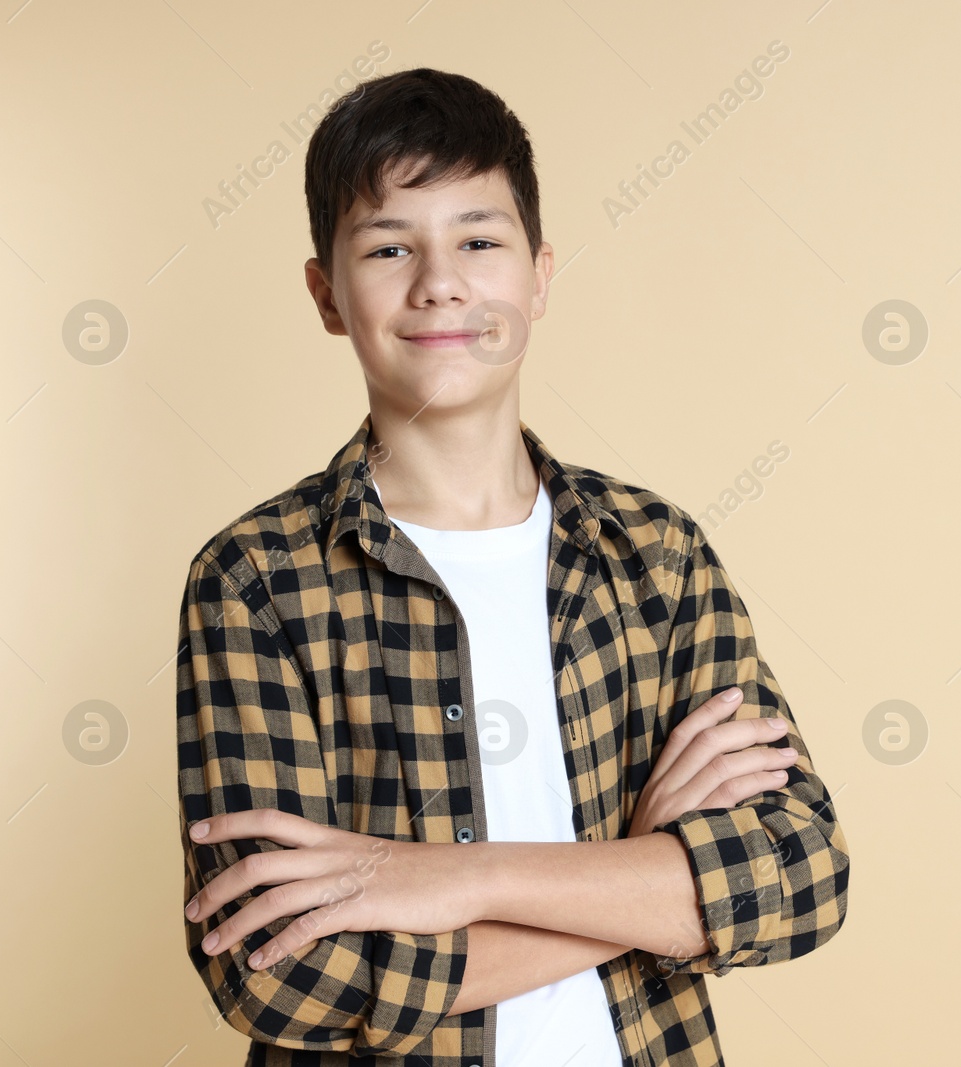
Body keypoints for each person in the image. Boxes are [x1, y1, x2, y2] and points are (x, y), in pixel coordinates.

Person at [174, 67, 850, 1067]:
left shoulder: (655, 554)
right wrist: (640, 874)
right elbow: (278, 970)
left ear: (537, 275)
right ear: (326, 293)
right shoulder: (256, 580)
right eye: (389, 245)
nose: (440, 280)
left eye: (477, 240)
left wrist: (453, 875)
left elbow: (798, 872)